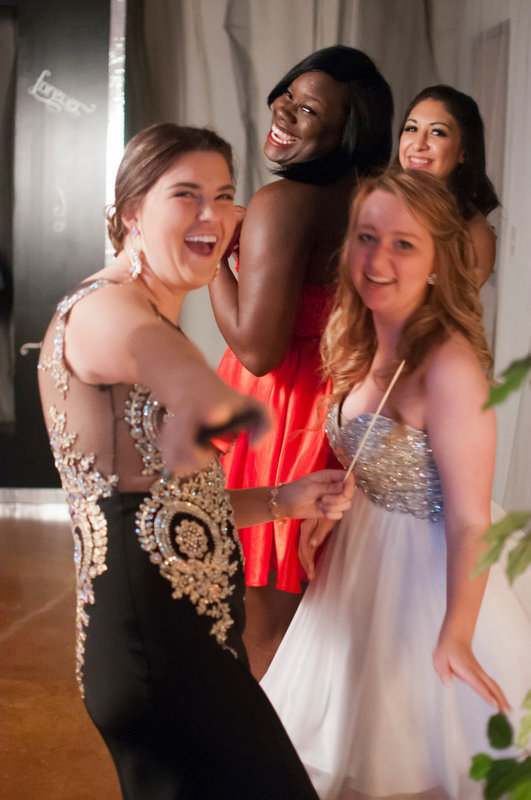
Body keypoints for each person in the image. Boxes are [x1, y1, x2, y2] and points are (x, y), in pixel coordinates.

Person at [37, 123, 354, 800]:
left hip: (186, 646)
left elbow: (172, 509)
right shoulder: (104, 310)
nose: (213, 214)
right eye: (186, 195)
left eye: (224, 196)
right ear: (132, 212)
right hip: (159, 652)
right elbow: (141, 348)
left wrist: (284, 499)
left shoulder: (150, 313)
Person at [260, 168, 531, 799]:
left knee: (407, 759)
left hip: (425, 584)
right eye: (366, 236)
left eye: (404, 244)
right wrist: (341, 499)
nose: (377, 259)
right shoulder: (364, 333)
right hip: (358, 563)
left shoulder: (449, 365)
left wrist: (456, 633)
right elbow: (381, 453)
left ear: (438, 263)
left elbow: (470, 518)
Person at [209, 45, 393, 679]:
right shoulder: (374, 201)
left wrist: (214, 261)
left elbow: (258, 351)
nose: (283, 111)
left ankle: (261, 742)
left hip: (282, 423)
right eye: (287, 93)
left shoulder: (283, 202)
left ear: (347, 132)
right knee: (317, 629)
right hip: (345, 413)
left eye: (308, 110)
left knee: (260, 635)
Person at [397, 84, 500, 287]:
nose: (418, 144)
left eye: (437, 132)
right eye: (411, 129)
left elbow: (450, 306)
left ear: (463, 152)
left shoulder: (474, 234)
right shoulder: (375, 204)